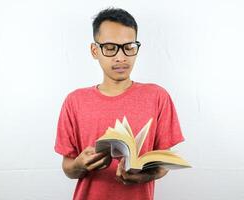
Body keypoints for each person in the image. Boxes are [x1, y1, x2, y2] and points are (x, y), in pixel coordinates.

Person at [54, 7, 184, 200]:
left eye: (129, 47)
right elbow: (68, 169)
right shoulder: (74, 101)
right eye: (110, 47)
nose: (121, 57)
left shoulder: (157, 96)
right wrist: (79, 165)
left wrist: (145, 175)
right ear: (94, 50)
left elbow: (164, 164)